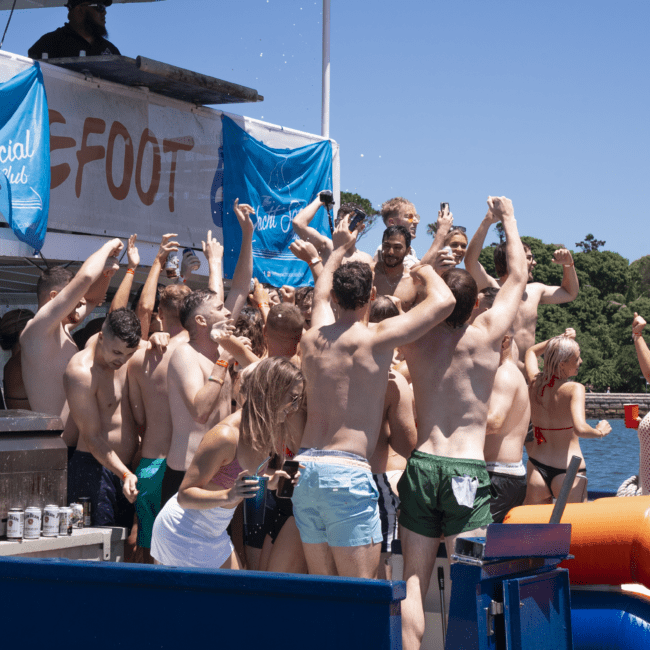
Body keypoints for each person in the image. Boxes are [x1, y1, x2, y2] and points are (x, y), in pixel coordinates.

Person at [397, 197, 528, 650]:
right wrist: (505, 220)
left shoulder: (413, 335)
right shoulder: (489, 335)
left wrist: (426, 266)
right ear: (473, 305)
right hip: (467, 472)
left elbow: (398, 296)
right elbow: (518, 277)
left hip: (422, 463)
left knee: (412, 581)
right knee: (468, 583)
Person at [293, 215, 455, 579]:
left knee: (323, 590)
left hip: (305, 469)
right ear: (371, 296)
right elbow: (443, 301)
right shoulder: (376, 339)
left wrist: (338, 250)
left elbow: (319, 293)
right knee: (360, 593)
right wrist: (423, 269)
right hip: (346, 472)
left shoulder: (312, 337)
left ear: (335, 297)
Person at [151, 357, 303, 569]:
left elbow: (244, 478)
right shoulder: (225, 436)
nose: (295, 407)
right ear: (273, 392)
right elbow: (185, 495)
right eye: (292, 398)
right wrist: (229, 495)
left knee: (236, 597)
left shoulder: (264, 432)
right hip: (183, 530)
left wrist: (272, 481)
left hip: (214, 532)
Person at [163, 200, 253, 505]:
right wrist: (225, 358)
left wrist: (247, 235)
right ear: (201, 321)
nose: (228, 314)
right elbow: (200, 412)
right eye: (219, 310)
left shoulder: (217, 342)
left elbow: (240, 286)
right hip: (188, 474)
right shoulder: (183, 355)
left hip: (221, 470)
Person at [21, 238, 122, 447]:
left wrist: (106, 274)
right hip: (53, 449)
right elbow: (85, 278)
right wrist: (106, 248)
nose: (82, 301)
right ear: (54, 297)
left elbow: (93, 299)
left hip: (74, 448)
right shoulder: (36, 331)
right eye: (75, 297)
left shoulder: (64, 329)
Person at [464, 209, 579, 371]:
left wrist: (568, 265)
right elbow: (470, 262)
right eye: (529, 257)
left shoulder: (536, 290)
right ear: (512, 258)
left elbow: (570, 293)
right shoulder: (491, 286)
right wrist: (487, 222)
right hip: (497, 369)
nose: (535, 262)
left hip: (528, 370)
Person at [127, 284, 191, 562]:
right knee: (184, 548)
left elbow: (139, 417)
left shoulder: (139, 358)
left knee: (146, 541)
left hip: (152, 461)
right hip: (187, 463)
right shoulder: (201, 353)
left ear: (160, 313)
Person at [64, 309, 142, 528]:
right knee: (95, 551)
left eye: (129, 354)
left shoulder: (119, 347)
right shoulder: (81, 373)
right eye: (117, 352)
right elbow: (92, 437)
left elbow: (135, 338)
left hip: (123, 472)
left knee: (123, 547)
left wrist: (158, 336)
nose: (123, 360)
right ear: (100, 337)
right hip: (92, 470)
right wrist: (125, 473)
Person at [523, 328, 611, 505]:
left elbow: (531, 351)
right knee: (577, 528)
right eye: (576, 358)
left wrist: (559, 340)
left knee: (537, 528)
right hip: (568, 470)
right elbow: (580, 429)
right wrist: (599, 432)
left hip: (537, 468)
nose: (581, 361)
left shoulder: (535, 383)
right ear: (562, 364)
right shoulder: (574, 389)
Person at [367, 299, 418, 579]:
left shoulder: (338, 364)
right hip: (383, 476)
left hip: (336, 477)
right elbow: (406, 444)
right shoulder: (394, 377)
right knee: (383, 566)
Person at [484, 334, 531, 523]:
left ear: (504, 341)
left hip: (498, 474)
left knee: (479, 540)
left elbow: (495, 422)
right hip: (505, 473)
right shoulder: (511, 373)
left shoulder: (504, 374)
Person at [292, 193, 374, 267]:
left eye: (351, 223)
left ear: (362, 228)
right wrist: (320, 199)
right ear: (335, 223)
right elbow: (298, 224)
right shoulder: (327, 247)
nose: (346, 226)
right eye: (342, 221)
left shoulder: (367, 260)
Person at [28, 0, 120, 60]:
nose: (104, 12)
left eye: (104, 8)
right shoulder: (48, 43)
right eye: (100, 7)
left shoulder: (112, 51)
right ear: (79, 10)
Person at [0, 309, 35, 410]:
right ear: (22, 333)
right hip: (36, 424)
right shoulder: (24, 360)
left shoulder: (11, 364)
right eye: (35, 328)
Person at [373, 197, 420, 268]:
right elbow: (417, 269)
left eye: (416, 217)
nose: (416, 221)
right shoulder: (383, 250)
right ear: (392, 223)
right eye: (409, 217)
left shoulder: (412, 251)